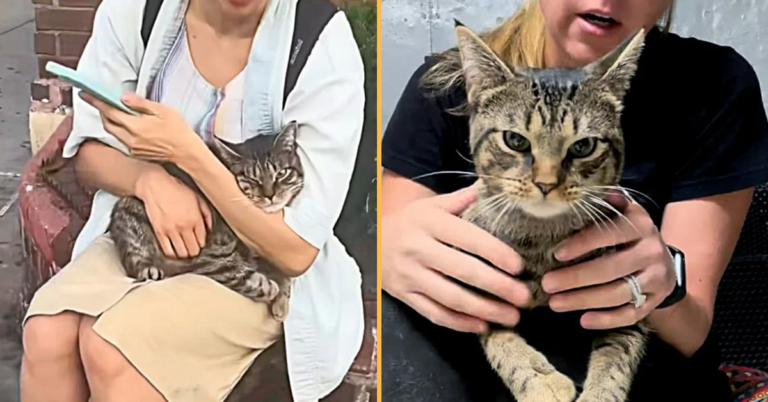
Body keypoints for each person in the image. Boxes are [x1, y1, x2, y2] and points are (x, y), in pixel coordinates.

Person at [381, 0, 768, 401]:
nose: (547, 179)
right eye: (517, 142)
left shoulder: (714, 84)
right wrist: (386, 251)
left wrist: (665, 284)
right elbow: (396, 290)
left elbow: (691, 333)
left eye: (581, 147)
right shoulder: (445, 85)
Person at [20, 0, 365, 401]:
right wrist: (149, 180)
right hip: (150, 232)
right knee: (47, 332)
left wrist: (190, 155)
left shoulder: (321, 42)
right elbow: (89, 152)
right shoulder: (137, 11)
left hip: (258, 260)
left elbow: (295, 251)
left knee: (117, 349)